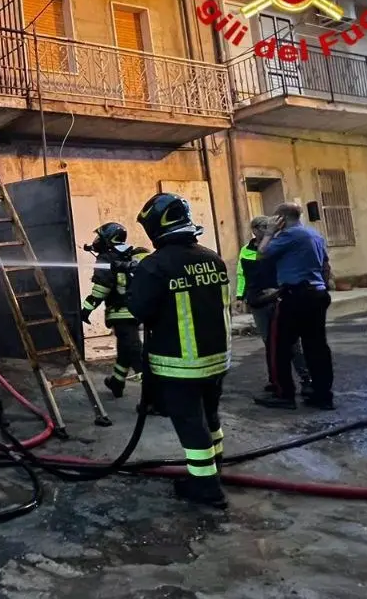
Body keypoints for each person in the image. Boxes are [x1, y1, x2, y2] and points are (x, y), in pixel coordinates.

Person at [127, 193, 231, 509]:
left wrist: (136, 278)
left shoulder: (155, 266)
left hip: (180, 364)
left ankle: (206, 488)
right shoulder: (212, 257)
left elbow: (139, 310)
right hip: (216, 358)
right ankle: (215, 470)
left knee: (190, 423)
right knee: (210, 416)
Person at [251, 202, 336, 411]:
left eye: (274, 218)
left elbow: (261, 254)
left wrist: (269, 233)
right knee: (316, 346)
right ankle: (322, 394)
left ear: (281, 218)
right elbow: (325, 265)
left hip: (295, 296)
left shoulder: (289, 236)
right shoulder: (315, 235)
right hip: (317, 294)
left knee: (278, 345)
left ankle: (283, 394)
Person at [236, 216, 310, 396]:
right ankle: (275, 380)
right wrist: (240, 296)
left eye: (267, 227)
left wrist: (279, 291)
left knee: (292, 343)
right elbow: (241, 275)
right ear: (254, 230)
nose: (264, 230)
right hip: (257, 302)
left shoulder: (278, 246)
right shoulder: (245, 251)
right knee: (269, 343)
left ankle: (306, 379)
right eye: (261, 227)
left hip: (278, 299)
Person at [78, 222, 150, 399]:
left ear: (108, 239)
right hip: (137, 311)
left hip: (120, 313)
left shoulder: (105, 258)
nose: (96, 241)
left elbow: (101, 288)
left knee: (133, 348)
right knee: (125, 348)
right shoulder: (133, 254)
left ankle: (152, 394)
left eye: (99, 238)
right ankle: (117, 382)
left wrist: (86, 309)